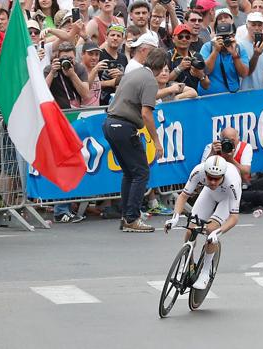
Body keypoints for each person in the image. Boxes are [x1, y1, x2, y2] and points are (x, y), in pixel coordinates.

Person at [103, 48, 166, 232]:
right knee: (140, 172)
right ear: (162, 66)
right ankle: (132, 218)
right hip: (124, 126)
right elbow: (146, 114)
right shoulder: (150, 81)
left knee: (130, 173)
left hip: (110, 123)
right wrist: (156, 140)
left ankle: (127, 216)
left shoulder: (133, 73)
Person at [164, 155, 241, 289]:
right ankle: (188, 265)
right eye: (209, 177)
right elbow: (183, 196)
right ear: (205, 172)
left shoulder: (232, 182)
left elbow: (234, 218)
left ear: (223, 175)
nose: (212, 182)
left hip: (226, 199)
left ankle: (205, 273)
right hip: (209, 194)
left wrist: (218, 232)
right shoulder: (198, 171)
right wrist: (175, 218)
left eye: (216, 179)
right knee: (190, 230)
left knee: (211, 231)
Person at [199, 21, 249, 94]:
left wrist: (234, 55)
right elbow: (205, 71)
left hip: (231, 96)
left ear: (233, 36)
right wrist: (215, 51)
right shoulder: (208, 47)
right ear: (216, 36)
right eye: (221, 37)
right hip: (209, 97)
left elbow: (244, 74)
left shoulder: (239, 49)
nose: (224, 39)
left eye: (227, 37)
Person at [45, 42, 90, 109]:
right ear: (58, 58)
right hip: (56, 110)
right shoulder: (50, 69)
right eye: (63, 58)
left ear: (75, 57)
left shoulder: (80, 68)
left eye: (70, 58)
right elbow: (43, 92)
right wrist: (52, 73)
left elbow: (85, 95)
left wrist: (73, 75)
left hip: (75, 110)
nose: (67, 61)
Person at [167, 24, 210, 91]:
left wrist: (201, 76)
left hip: (193, 97)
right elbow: (164, 82)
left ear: (191, 39)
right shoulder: (168, 56)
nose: (184, 39)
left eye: (187, 37)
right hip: (173, 98)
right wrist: (179, 68)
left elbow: (206, 86)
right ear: (173, 39)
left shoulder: (197, 56)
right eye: (180, 37)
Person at [239, 11, 263, 90]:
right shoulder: (240, 46)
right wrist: (256, 55)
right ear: (247, 26)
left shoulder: (262, 46)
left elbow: (262, 70)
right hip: (246, 93)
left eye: (259, 25)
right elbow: (245, 73)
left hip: (261, 93)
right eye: (253, 25)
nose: (257, 28)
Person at [98, 23, 127, 105]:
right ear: (106, 37)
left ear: (122, 40)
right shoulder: (98, 55)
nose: (115, 38)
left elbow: (127, 82)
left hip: (118, 104)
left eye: (118, 36)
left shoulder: (123, 58)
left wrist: (121, 76)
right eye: (112, 35)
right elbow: (90, 85)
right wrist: (112, 82)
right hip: (100, 105)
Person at [81, 41, 103, 106]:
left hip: (97, 112)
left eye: (97, 54)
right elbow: (85, 92)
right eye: (90, 54)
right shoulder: (78, 70)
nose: (94, 58)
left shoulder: (96, 69)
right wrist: (95, 70)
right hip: (82, 113)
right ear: (82, 54)